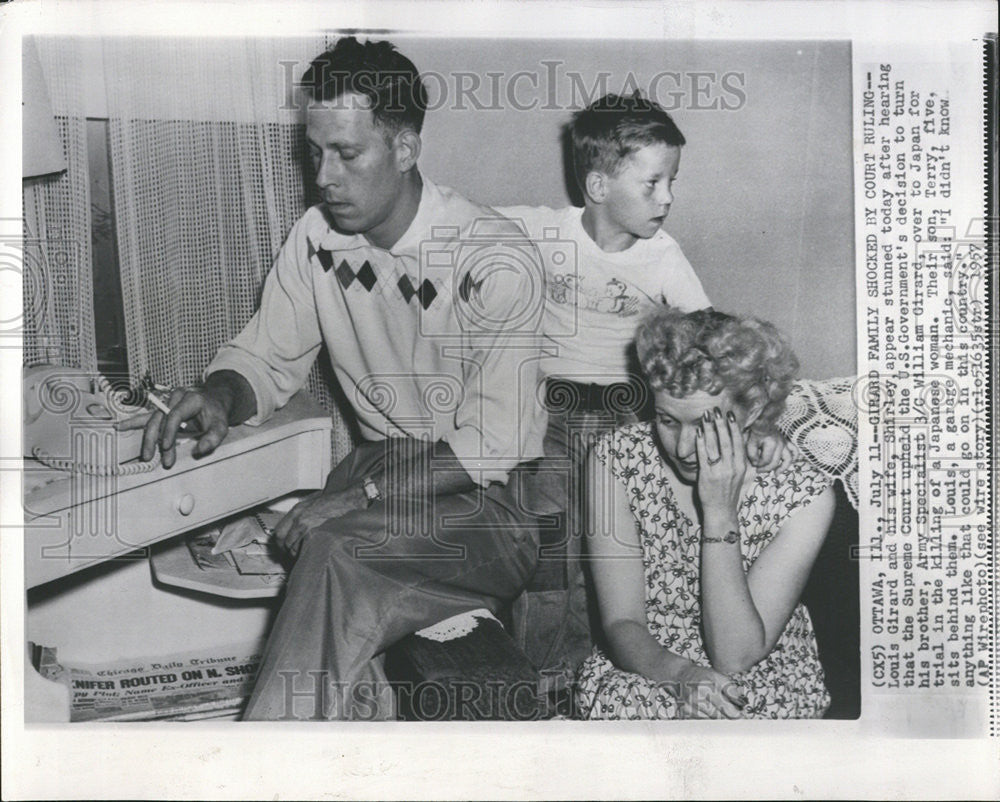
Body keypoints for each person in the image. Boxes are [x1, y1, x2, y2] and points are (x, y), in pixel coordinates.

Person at [127, 36, 547, 720]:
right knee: (330, 559)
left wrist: (359, 498)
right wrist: (219, 396)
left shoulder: (493, 258)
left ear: (406, 148)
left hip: (486, 507)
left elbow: (492, 447)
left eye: (347, 154)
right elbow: (265, 358)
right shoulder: (317, 238)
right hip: (379, 473)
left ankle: (268, 762)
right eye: (315, 152)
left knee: (334, 545)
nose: (323, 177)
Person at [495, 93, 788, 694]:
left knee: (605, 536)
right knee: (547, 534)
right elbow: (452, 220)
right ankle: (538, 671)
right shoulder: (541, 228)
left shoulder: (664, 259)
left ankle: (587, 669)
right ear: (599, 184)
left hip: (630, 418)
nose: (669, 198)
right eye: (654, 183)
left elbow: (717, 347)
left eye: (672, 181)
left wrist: (760, 426)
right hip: (545, 411)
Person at [575, 305, 836, 719]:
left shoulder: (804, 496)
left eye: (704, 424)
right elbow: (622, 621)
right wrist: (680, 676)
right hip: (649, 668)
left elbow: (735, 657)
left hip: (759, 675)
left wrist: (719, 514)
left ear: (751, 411)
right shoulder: (616, 460)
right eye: (667, 420)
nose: (681, 448)